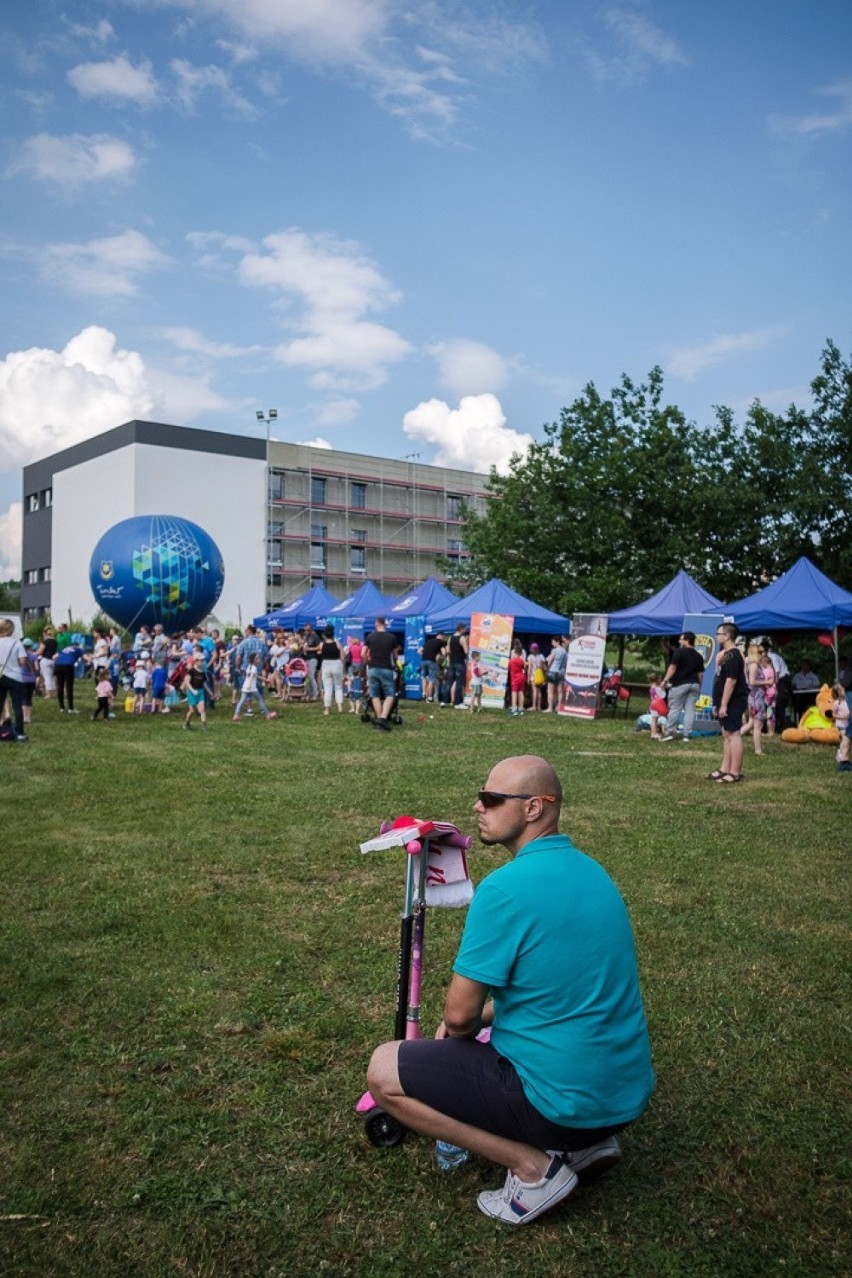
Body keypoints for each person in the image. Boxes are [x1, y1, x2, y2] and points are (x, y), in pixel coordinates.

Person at [366, 754, 654, 1227]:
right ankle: (582, 1148)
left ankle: (533, 1168)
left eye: (491, 799)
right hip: (623, 1102)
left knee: (383, 1071)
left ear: (534, 808)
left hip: (560, 1105)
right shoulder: (596, 874)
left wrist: (451, 1056)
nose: (478, 807)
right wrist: (482, 1021)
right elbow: (563, 988)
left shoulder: (503, 890)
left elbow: (458, 1019)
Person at [710, 623, 749, 783]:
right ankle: (724, 769)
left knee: (734, 734)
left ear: (726, 636)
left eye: (718, 633)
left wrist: (724, 704)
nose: (716, 636)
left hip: (733, 701)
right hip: (724, 701)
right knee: (726, 734)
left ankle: (734, 772)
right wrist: (717, 703)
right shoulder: (726, 655)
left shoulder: (734, 656)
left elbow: (731, 681)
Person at [660, 632, 705, 741]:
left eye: (681, 639)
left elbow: (672, 667)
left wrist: (665, 680)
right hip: (694, 684)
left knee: (675, 708)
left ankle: (669, 732)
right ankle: (686, 735)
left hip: (680, 684)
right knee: (690, 710)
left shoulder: (678, 652)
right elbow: (700, 674)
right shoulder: (699, 656)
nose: (679, 641)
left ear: (687, 640)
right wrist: (699, 686)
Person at [364, 616, 400, 732]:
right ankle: (384, 718)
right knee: (390, 694)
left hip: (373, 668)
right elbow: (395, 655)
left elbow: (363, 653)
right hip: (386, 668)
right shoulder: (391, 637)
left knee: (374, 694)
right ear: (385, 624)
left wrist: (368, 661)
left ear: (376, 623)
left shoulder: (370, 636)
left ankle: (379, 719)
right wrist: (395, 664)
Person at [0, 618, 28, 740]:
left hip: (1, 676)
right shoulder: (17, 643)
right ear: (11, 629)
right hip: (15, 677)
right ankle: (20, 733)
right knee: (17, 706)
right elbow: (22, 662)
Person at [232, 654, 277, 722]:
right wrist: (250, 685)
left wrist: (265, 679)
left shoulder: (249, 666)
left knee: (241, 701)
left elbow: (256, 676)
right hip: (251, 687)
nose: (259, 660)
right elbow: (251, 677)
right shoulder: (254, 668)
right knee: (260, 700)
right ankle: (268, 715)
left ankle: (236, 715)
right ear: (253, 660)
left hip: (245, 687)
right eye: (257, 659)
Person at [765, 640, 791, 734]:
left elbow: (776, 673)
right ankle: (771, 727)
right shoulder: (764, 659)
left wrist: (773, 687)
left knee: (780, 703)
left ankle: (779, 727)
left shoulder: (773, 657)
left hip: (782, 680)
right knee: (772, 705)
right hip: (774, 681)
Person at [319, 625, 345, 715]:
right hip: (337, 664)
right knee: (338, 687)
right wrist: (343, 669)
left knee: (327, 688)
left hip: (326, 664)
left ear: (325, 634)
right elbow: (342, 657)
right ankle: (340, 708)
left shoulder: (322, 644)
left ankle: (327, 710)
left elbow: (319, 652)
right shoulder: (337, 643)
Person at [54, 638, 86, 713]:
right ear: (78, 645)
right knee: (69, 687)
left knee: (60, 686)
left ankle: (61, 707)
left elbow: (54, 657)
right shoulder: (78, 649)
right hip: (68, 666)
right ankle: (71, 708)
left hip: (58, 665)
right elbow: (85, 657)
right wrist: (91, 659)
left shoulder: (65, 648)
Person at [182, 652, 209, 730]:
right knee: (192, 711)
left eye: (202, 660)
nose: (202, 662)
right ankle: (187, 723)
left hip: (200, 692)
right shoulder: (191, 671)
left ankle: (204, 727)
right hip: (191, 692)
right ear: (196, 661)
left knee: (202, 709)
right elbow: (187, 682)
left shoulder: (202, 672)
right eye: (200, 660)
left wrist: (210, 693)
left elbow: (204, 684)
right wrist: (192, 690)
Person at [420, 631, 445, 703]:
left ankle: (424, 693)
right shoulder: (440, 642)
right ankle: (429, 698)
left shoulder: (428, 641)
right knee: (431, 680)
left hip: (423, 660)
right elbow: (444, 653)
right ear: (440, 635)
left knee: (424, 677)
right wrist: (441, 657)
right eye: (443, 637)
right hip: (432, 661)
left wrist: (425, 655)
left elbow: (419, 651)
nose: (443, 639)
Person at [543, 637, 567, 712]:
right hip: (562, 672)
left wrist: (546, 668)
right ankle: (559, 707)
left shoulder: (554, 650)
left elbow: (550, 661)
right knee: (560, 691)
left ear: (557, 642)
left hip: (553, 671)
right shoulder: (564, 651)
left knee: (550, 691)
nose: (552, 643)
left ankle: (550, 708)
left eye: (553, 642)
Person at [448, 624, 469, 708]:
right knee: (459, 683)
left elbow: (448, 650)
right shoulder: (462, 638)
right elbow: (466, 651)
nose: (465, 630)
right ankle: (458, 703)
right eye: (464, 629)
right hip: (460, 662)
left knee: (452, 682)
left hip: (452, 662)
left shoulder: (450, 638)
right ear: (461, 629)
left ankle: (450, 700)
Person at [38, 625, 58, 699]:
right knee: (52, 677)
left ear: (45, 633)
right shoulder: (55, 641)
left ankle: (48, 694)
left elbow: (40, 652)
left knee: (47, 677)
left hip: (45, 660)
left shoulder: (45, 641)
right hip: (53, 660)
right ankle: (52, 693)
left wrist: (35, 654)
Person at [508, 639, 526, 716]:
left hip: (514, 678)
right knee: (521, 692)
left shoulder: (511, 661)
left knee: (514, 693)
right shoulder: (522, 660)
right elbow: (523, 667)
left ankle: (514, 708)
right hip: (521, 676)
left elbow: (509, 668)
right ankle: (521, 709)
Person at [647, 672, 668, 739]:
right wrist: (663, 689)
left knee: (654, 720)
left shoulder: (652, 687)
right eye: (660, 679)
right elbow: (662, 696)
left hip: (653, 705)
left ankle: (654, 732)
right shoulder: (657, 688)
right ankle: (654, 733)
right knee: (654, 720)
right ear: (657, 680)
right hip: (656, 705)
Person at [526, 643, 546, 712]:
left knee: (534, 691)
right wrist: (544, 676)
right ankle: (539, 707)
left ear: (532, 649)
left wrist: (528, 678)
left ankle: (534, 706)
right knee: (539, 691)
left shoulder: (530, 657)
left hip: (533, 676)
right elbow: (543, 667)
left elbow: (529, 668)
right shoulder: (541, 656)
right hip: (540, 676)